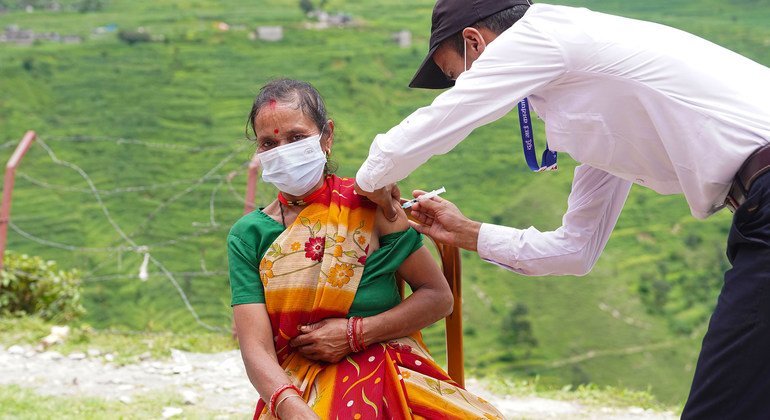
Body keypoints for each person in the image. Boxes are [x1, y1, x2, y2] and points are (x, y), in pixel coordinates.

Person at [353, 1, 770, 418]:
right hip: (755, 207)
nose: (463, 87)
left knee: (721, 405)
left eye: (456, 75)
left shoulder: (541, 34)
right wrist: (466, 232)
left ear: (474, 42)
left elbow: (447, 119)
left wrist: (369, 180)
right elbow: (576, 250)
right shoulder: (601, 111)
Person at [227, 79, 503, 419]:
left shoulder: (370, 205)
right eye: (269, 143)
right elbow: (255, 347)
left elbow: (437, 297)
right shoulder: (248, 235)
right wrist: (292, 408)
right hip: (296, 388)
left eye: (297, 138)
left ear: (326, 136)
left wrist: (356, 334)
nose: (282, 150)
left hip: (390, 367)